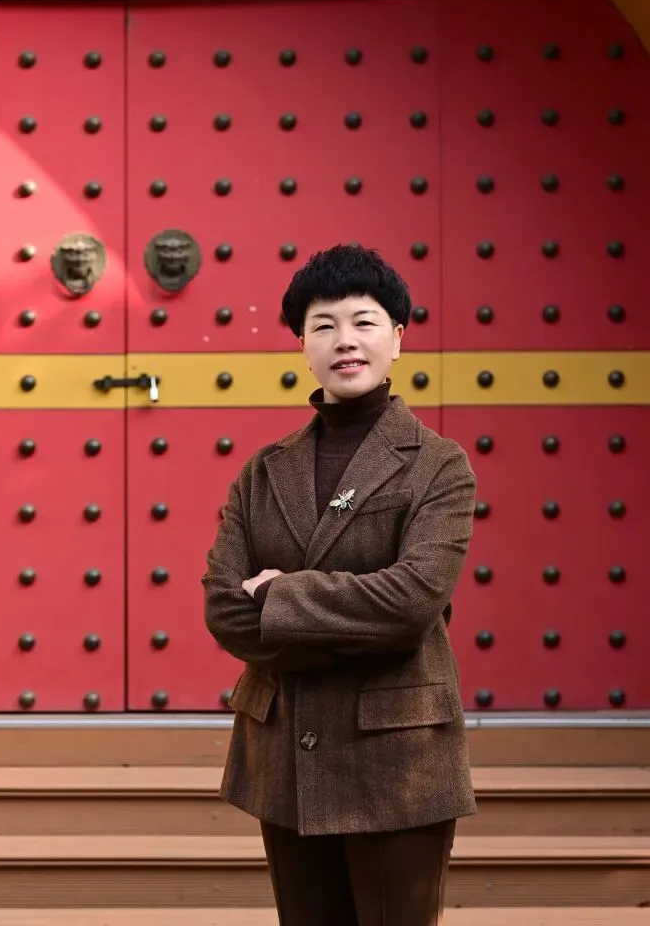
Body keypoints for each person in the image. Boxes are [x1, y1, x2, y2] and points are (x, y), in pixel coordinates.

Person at [202, 244, 478, 926]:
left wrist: (280, 597)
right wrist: (353, 624)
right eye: (323, 326)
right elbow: (225, 609)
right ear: (303, 345)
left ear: (397, 338)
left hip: (396, 755)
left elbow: (412, 601)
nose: (344, 340)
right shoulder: (264, 471)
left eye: (364, 322)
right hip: (284, 754)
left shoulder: (439, 466)